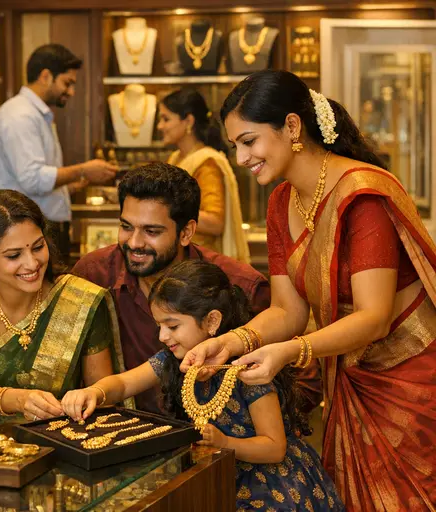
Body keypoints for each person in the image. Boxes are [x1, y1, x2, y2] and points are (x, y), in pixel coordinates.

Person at [183, 69, 436, 509]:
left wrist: (288, 351)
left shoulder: (361, 195)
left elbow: (373, 318)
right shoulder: (283, 202)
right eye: (235, 146)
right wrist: (229, 342)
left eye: (249, 141)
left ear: (292, 127)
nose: (241, 158)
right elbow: (288, 310)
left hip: (406, 382)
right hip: (352, 378)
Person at [62, 260, 343, 511]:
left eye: (172, 326)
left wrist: (224, 443)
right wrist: (94, 392)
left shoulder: (245, 369)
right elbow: (124, 384)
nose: (162, 336)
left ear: (212, 321)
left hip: (272, 485)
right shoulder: (174, 360)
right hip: (214, 473)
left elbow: (274, 447)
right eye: (159, 325)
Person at [72, 163, 277, 414]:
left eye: (151, 231)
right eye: (126, 227)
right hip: (126, 438)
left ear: (186, 232)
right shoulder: (94, 274)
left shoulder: (240, 285)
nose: (134, 242)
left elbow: (299, 381)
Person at [0, 190, 115, 421]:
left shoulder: (78, 299)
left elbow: (104, 396)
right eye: (14, 255)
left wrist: (88, 398)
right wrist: (19, 400)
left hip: (62, 442)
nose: (32, 263)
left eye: (38, 247)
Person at [0, 44, 118, 259]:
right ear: (46, 76)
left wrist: (70, 186)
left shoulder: (35, 115)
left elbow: (32, 185)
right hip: (22, 235)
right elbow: (33, 178)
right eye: (67, 83)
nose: (71, 92)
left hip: (33, 231)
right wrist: (83, 170)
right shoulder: (20, 116)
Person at [160, 89, 250, 262]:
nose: (160, 126)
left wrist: (165, 211)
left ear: (188, 121)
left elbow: (216, 223)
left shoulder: (206, 162)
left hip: (200, 265)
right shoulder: (176, 158)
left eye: (166, 119)